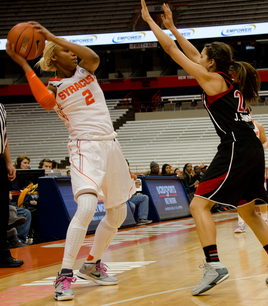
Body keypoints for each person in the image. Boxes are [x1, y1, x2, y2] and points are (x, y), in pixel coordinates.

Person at [141, 1, 268, 296]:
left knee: (198, 205)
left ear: (210, 63)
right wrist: (173, 27)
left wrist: (151, 23)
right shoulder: (227, 77)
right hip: (251, 147)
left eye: (204, 57)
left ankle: (214, 265)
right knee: (249, 213)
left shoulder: (210, 79)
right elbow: (193, 53)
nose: (200, 58)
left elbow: (173, 51)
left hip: (235, 146)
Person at [6, 22, 135, 300]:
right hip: (84, 147)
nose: (73, 54)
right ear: (53, 58)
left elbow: (94, 57)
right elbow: (43, 102)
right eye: (65, 51)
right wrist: (22, 63)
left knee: (118, 214)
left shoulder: (86, 70)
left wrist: (53, 37)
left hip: (111, 145)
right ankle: (64, 275)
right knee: (87, 206)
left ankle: (92, 265)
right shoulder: (54, 86)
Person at [235, 105, 268, 233]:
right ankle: (241, 222)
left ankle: (265, 221)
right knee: (240, 195)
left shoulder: (258, 126)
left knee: (261, 193)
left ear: (250, 112)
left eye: (246, 111)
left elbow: (265, 142)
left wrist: (261, 148)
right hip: (241, 163)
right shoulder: (235, 126)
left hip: (256, 163)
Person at [0, 103, 23, 268]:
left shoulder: (1, 107)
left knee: (2, 212)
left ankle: (2, 254)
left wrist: (8, 162)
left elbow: (4, 137)